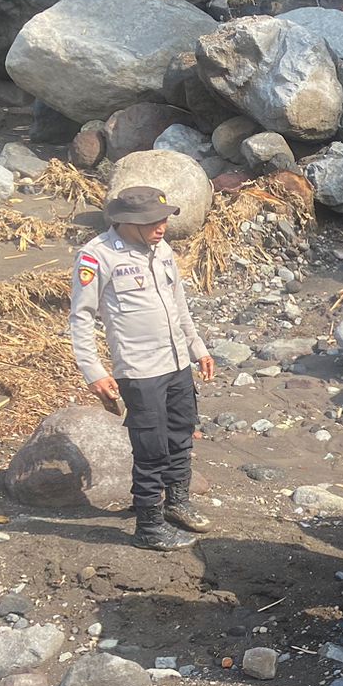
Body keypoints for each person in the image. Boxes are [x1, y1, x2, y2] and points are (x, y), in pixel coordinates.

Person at [69, 186, 215, 551]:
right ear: (127, 221)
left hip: (177, 362)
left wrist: (197, 348)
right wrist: (93, 371)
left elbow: (178, 305)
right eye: (152, 221)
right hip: (139, 369)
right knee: (151, 447)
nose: (161, 227)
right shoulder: (97, 256)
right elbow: (81, 318)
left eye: (163, 219)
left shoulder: (162, 250)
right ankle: (149, 525)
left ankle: (177, 503)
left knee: (181, 434)